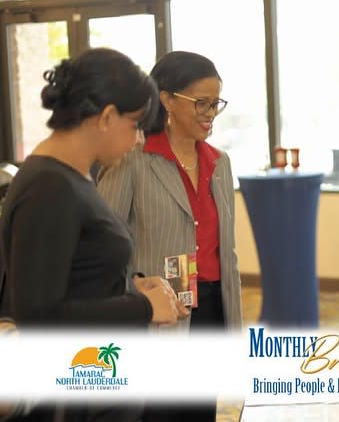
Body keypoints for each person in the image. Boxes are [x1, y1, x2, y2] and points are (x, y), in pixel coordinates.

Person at [0, 48, 188, 421]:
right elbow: (39, 316)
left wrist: (132, 285)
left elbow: (75, 275)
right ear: (106, 117)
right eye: (135, 125)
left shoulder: (73, 176)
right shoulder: (49, 186)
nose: (138, 140)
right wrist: (144, 307)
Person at [97, 50, 243, 422]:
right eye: (201, 103)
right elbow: (100, 244)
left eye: (215, 103)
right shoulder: (132, 159)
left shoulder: (220, 163)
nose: (210, 113)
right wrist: (136, 287)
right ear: (167, 99)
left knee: (201, 412)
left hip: (212, 309)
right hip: (158, 314)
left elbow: (227, 252)